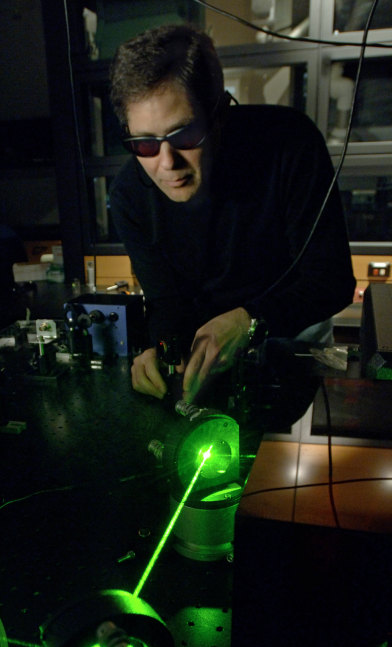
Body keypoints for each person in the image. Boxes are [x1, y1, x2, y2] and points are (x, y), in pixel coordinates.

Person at [109, 24, 356, 402]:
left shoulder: (291, 143)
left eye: (184, 136)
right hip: (206, 343)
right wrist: (163, 352)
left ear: (220, 113)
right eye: (144, 144)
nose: (167, 163)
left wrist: (249, 321)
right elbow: (166, 302)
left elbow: (331, 282)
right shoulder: (128, 194)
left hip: (290, 332)